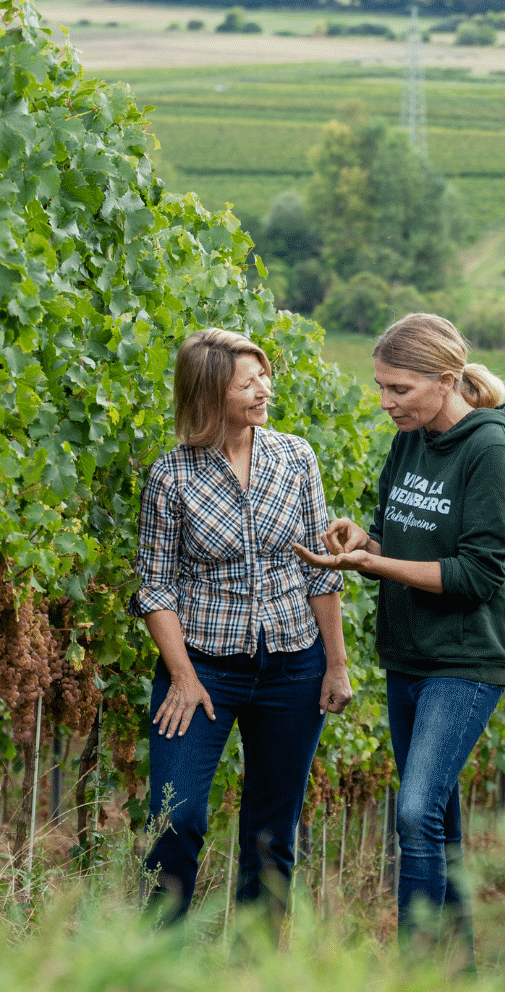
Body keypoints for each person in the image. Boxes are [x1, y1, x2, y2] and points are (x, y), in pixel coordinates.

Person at [293, 313, 505, 961]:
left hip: (465, 659)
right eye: (380, 385)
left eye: (399, 388)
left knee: (415, 811)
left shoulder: (491, 453)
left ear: (446, 380)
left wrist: (372, 565)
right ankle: (456, 969)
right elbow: (397, 541)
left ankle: (415, 967)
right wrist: (363, 542)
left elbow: (477, 576)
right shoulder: (410, 440)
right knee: (437, 821)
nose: (385, 402)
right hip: (407, 655)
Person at [131, 328, 355, 923]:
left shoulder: (296, 458)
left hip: (293, 668)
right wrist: (183, 677)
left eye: (264, 377)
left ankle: (259, 963)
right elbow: (155, 586)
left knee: (272, 832)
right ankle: (155, 960)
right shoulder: (172, 476)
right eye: (248, 383)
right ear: (210, 394)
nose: (264, 390)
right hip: (202, 668)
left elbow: (320, 571)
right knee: (175, 818)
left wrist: (335, 665)